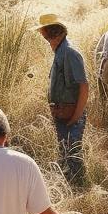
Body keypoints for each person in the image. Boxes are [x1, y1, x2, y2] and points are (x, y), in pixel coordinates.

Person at [36, 14, 89, 185]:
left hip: (71, 115)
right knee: (65, 155)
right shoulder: (61, 51)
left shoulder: (70, 52)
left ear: (52, 33)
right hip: (63, 114)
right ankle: (71, 187)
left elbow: (84, 86)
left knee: (72, 157)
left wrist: (76, 117)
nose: (42, 37)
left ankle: (79, 192)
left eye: (44, 34)